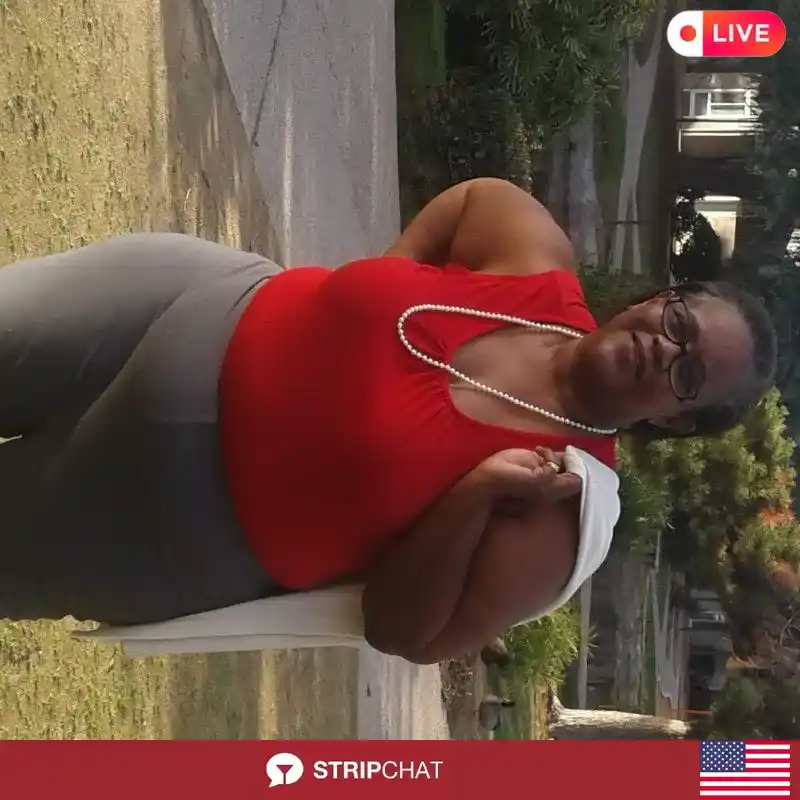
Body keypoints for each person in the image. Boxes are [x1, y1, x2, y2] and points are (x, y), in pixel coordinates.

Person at [0, 178, 776, 665]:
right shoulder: (537, 263)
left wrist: (476, 494)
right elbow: (474, 198)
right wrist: (388, 275)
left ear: (676, 422)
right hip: (179, 302)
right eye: (679, 323)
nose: (662, 348)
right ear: (660, 298)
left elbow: (407, 633)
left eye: (687, 375)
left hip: (170, 520)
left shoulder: (558, 505)